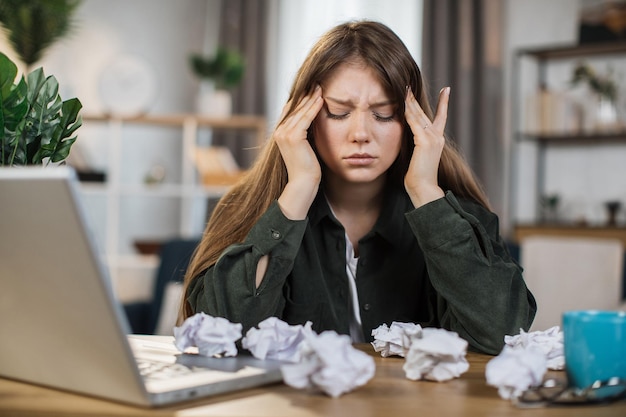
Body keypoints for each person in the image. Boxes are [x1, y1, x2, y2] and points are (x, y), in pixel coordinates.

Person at [179, 20, 536, 355]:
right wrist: (299, 188)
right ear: (303, 117)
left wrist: (426, 191)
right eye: (338, 112)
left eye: (384, 113)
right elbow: (217, 334)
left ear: (412, 122)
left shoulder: (456, 214)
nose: (361, 134)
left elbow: (501, 333)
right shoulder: (246, 206)